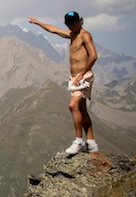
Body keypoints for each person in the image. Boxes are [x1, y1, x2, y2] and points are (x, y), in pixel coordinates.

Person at [28, 11, 99, 155]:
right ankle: (91, 143)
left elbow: (93, 55)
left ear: (80, 21)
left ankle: (78, 141)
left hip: (83, 76)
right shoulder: (72, 34)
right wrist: (37, 22)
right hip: (75, 77)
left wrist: (82, 74)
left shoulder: (84, 35)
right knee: (82, 110)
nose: (72, 25)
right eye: (69, 24)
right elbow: (53, 30)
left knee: (73, 106)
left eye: (74, 22)